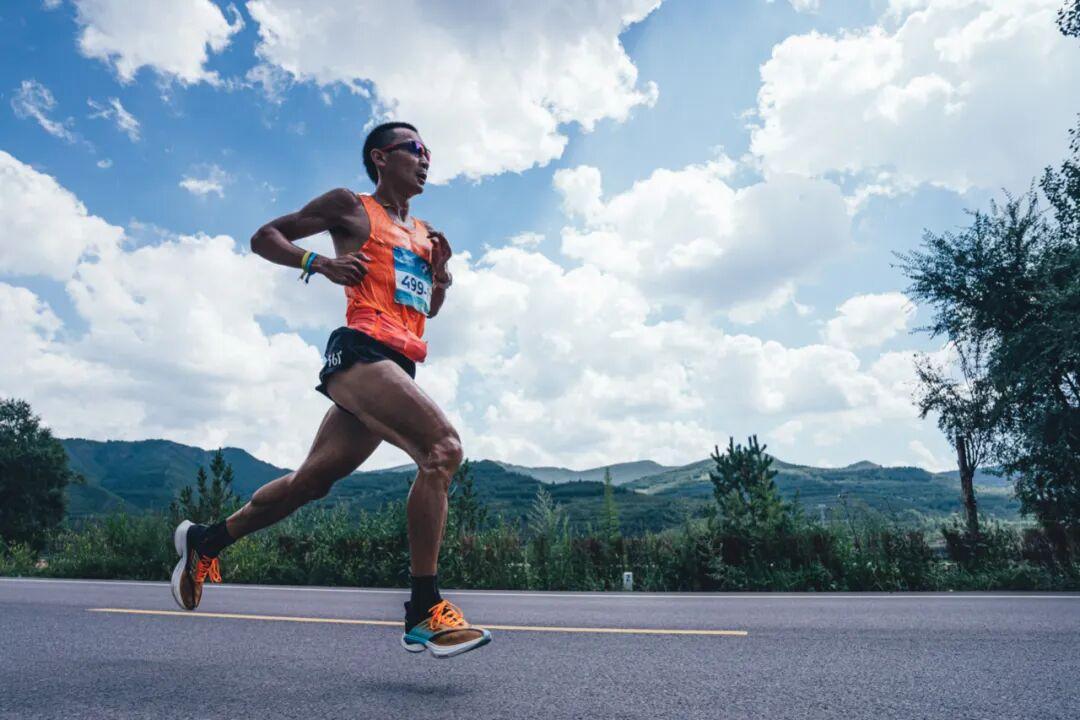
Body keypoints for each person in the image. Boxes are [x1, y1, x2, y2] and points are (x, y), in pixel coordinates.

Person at [169, 121, 491, 660]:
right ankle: (423, 609)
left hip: (398, 365)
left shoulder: (424, 234)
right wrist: (319, 263)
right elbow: (265, 236)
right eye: (414, 149)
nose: (425, 159)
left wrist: (442, 273)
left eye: (429, 152)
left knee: (309, 483)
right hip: (361, 352)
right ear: (381, 157)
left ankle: (206, 540)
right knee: (443, 450)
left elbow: (428, 310)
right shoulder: (351, 206)